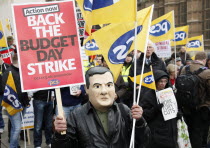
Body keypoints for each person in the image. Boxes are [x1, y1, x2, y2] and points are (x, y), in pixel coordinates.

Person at [52, 67, 150, 148]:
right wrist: (60, 134)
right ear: (87, 88)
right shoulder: (77, 116)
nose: (104, 91)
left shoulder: (124, 110)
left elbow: (143, 141)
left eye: (109, 85)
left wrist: (139, 122)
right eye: (97, 86)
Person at [140, 70, 178, 148]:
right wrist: (155, 109)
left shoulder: (169, 92)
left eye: (165, 81)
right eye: (161, 81)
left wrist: (178, 114)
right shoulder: (148, 95)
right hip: (157, 132)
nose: (163, 84)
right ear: (156, 82)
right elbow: (144, 115)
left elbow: (175, 106)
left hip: (170, 131)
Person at [180, 51, 210, 148]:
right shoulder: (207, 72)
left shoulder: (184, 68)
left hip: (186, 106)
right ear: (204, 60)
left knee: (189, 130)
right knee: (200, 133)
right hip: (202, 107)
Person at [2, 53, 30, 148]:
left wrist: (26, 101)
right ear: (18, 61)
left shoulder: (22, 71)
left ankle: (15, 144)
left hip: (23, 103)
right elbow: (2, 89)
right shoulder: (8, 72)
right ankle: (13, 146)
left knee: (16, 127)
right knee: (17, 128)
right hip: (13, 104)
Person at [0, 54, 9, 133]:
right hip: (0, 93)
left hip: (7, 92)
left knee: (9, 110)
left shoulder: (6, 66)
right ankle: (1, 126)